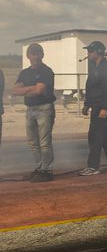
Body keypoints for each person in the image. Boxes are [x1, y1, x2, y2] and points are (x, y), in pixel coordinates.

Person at [11, 43, 57, 182]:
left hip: (44, 108)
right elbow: (15, 91)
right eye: (32, 53)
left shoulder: (46, 71)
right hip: (30, 109)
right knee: (32, 141)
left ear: (42, 55)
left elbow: (39, 91)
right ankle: (39, 167)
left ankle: (46, 169)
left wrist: (27, 89)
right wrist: (33, 88)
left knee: (44, 142)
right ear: (28, 56)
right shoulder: (24, 72)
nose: (35, 56)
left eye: (38, 53)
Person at [79, 41, 107, 176]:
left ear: (98, 52)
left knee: (95, 137)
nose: (88, 53)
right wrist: (87, 104)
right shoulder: (95, 67)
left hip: (101, 107)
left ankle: (93, 167)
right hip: (96, 106)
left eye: (91, 50)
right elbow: (92, 89)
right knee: (106, 137)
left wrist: (106, 107)